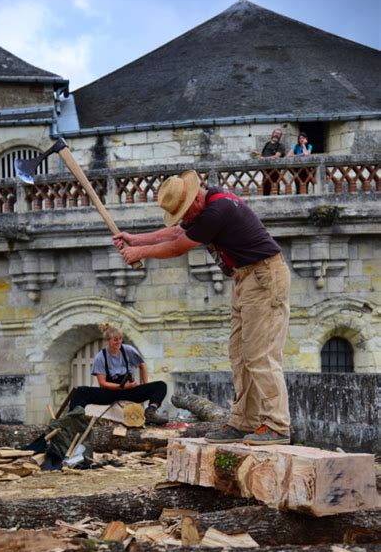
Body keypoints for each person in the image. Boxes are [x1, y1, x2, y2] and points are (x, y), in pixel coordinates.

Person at [113, 170, 291, 445]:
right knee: (240, 356)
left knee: (260, 356)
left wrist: (140, 253)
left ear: (195, 199)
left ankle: (277, 425)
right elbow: (176, 232)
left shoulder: (215, 212)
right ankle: (245, 421)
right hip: (246, 278)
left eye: (184, 212)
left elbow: (177, 246)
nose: (184, 219)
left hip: (263, 277)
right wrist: (136, 240)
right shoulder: (208, 204)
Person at [68, 323, 169, 425]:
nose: (119, 342)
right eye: (115, 340)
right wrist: (121, 387)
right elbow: (102, 383)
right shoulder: (100, 357)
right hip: (110, 392)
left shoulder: (128, 350)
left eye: (120, 339)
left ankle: (151, 411)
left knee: (161, 385)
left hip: (130, 391)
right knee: (80, 391)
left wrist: (145, 384)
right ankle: (73, 418)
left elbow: (142, 366)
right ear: (108, 341)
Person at [255, 128, 285, 196]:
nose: (276, 135)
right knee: (265, 192)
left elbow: (276, 156)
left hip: (275, 172)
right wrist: (256, 154)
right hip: (265, 172)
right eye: (275, 133)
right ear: (272, 134)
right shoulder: (267, 144)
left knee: (276, 191)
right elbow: (262, 156)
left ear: (280, 136)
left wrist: (264, 158)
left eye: (278, 134)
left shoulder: (281, 146)